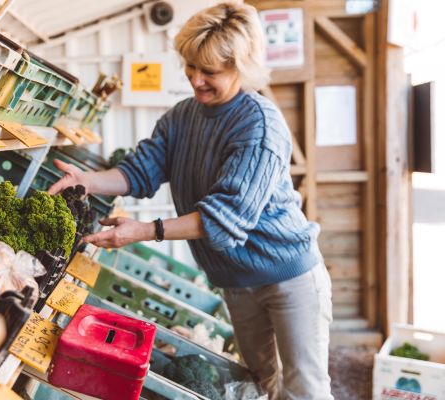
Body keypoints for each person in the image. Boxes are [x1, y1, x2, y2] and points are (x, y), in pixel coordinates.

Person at [49, 2, 333, 399]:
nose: (196, 80)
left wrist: (145, 231)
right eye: (191, 66)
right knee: (264, 382)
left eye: (210, 72)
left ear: (242, 67)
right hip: (235, 281)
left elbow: (225, 218)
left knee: (305, 388)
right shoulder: (183, 116)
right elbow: (140, 170)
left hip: (287, 276)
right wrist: (87, 181)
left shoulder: (260, 127)